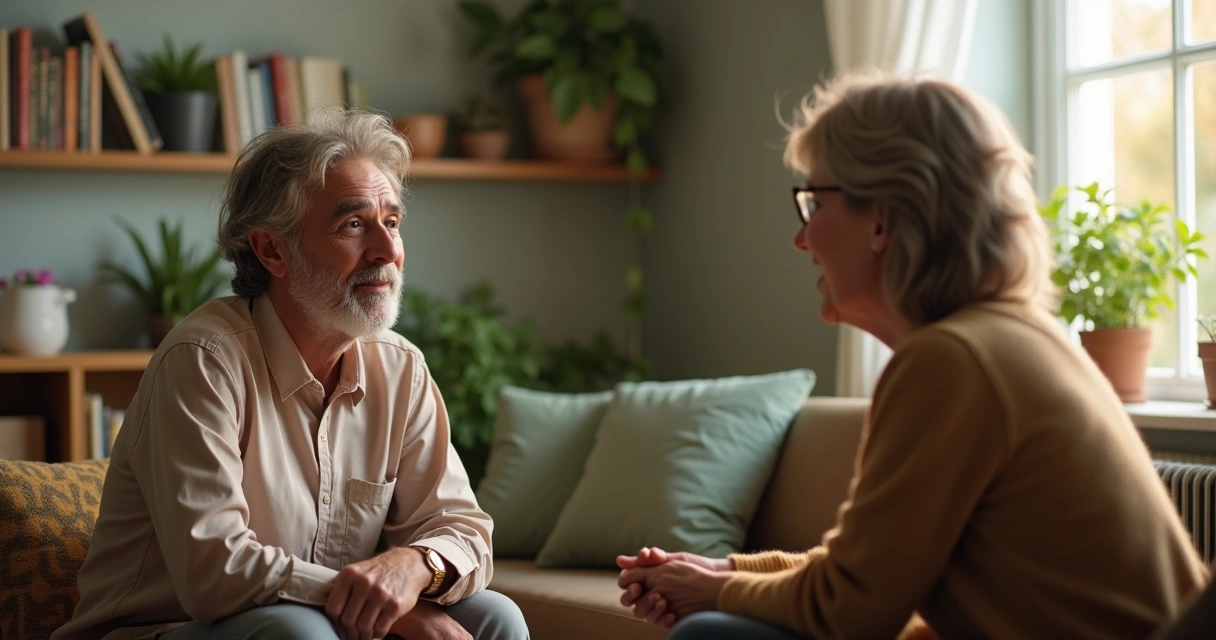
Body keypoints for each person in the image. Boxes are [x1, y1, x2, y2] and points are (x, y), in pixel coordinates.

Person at [615, 72, 1210, 639]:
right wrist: (727, 573)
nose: (802, 238)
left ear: (881, 220)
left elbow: (849, 610)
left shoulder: (953, 361)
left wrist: (712, 594)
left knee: (717, 637)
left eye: (814, 205)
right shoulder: (1007, 338)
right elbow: (871, 566)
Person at [53, 108, 528, 640]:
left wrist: (413, 568)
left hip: (313, 622)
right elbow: (215, 571)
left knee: (495, 617)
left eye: (391, 222)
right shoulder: (203, 359)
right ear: (272, 249)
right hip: (165, 628)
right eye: (353, 224)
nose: (388, 250)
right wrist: (392, 607)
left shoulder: (401, 369)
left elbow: (464, 530)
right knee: (296, 632)